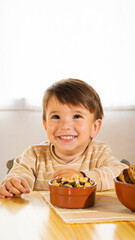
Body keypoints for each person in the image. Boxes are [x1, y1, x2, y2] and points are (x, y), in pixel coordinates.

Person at [0, 78, 127, 198]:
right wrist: (14, 184)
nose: (65, 126)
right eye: (56, 117)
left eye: (76, 116)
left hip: (86, 219)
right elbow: (18, 175)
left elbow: (121, 173)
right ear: (46, 125)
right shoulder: (34, 155)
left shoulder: (98, 153)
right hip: (45, 219)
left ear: (94, 127)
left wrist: (83, 177)